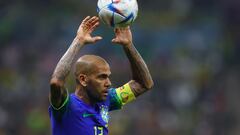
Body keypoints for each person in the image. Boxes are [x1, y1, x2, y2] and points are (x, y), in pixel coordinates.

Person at [49, 16, 154, 135]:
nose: (108, 83)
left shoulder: (107, 100)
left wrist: (128, 45)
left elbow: (144, 84)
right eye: (102, 77)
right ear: (83, 80)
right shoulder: (66, 106)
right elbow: (56, 82)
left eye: (108, 77)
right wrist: (78, 41)